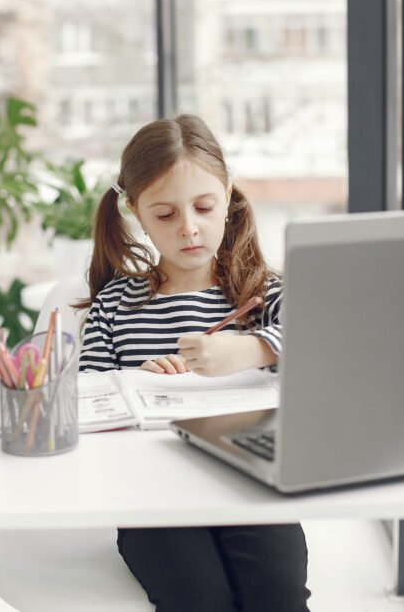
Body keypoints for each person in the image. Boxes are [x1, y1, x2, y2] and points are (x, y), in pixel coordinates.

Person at [76, 114, 311, 611]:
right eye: (164, 215)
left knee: (279, 598)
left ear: (228, 197)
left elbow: (324, 339)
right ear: (136, 212)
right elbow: (85, 397)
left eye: (204, 207)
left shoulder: (261, 292)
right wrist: (132, 380)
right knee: (198, 600)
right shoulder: (116, 305)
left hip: (251, 482)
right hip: (151, 497)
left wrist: (253, 349)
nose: (189, 228)